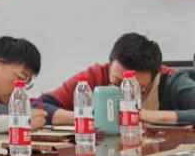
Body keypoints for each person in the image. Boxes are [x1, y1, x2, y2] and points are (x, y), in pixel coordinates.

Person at [39, 32, 195, 125]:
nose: (125, 92)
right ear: (110, 66)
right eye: (117, 82)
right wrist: (92, 117)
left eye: (137, 88)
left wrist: (148, 116)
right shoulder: (96, 76)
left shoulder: (171, 81)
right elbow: (40, 106)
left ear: (155, 75)